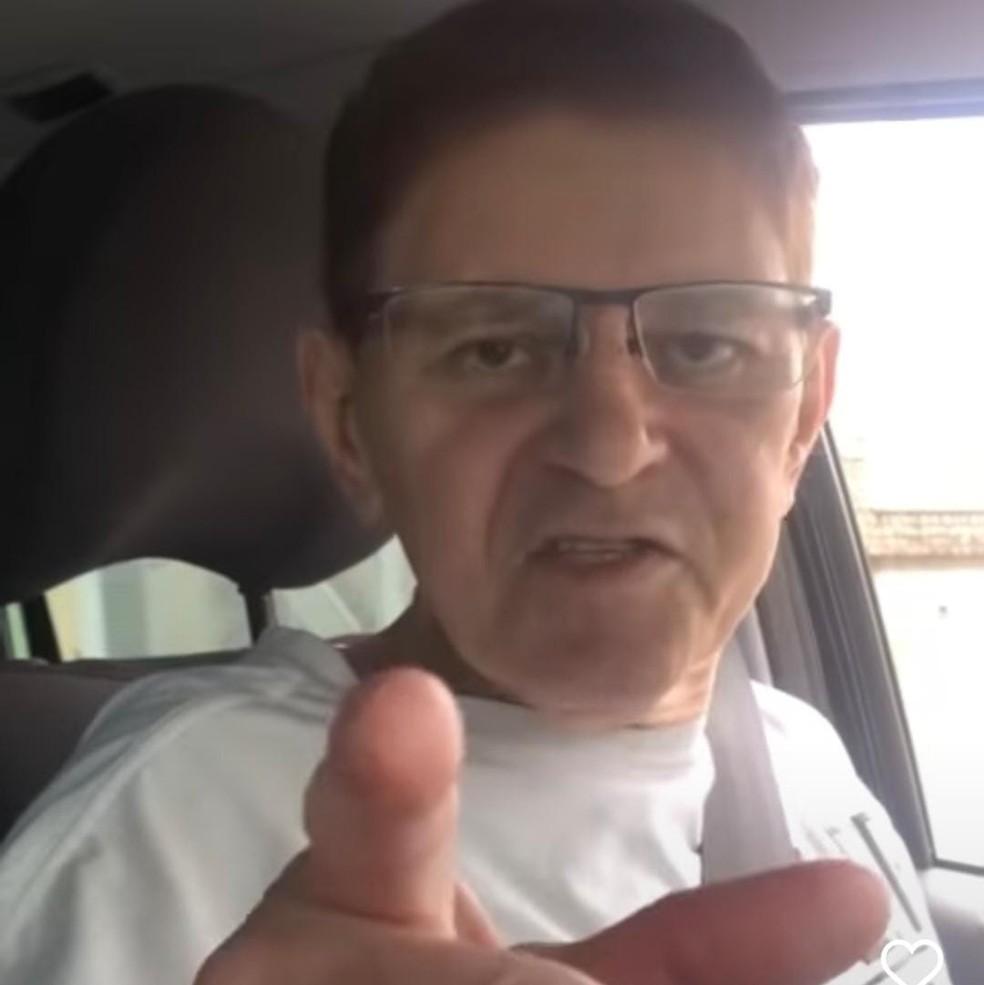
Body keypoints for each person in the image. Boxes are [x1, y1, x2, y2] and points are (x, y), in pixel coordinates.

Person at [0, 1, 952, 983]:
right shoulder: (158, 835)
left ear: (803, 418)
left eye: (707, 345)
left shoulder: (806, 758)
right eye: (494, 349)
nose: (609, 450)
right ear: (348, 420)